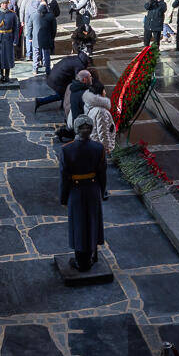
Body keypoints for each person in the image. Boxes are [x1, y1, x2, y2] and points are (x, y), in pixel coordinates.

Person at [59, 115, 106, 272]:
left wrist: (63, 197)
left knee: (78, 225)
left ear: (76, 130)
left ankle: (81, 262)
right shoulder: (98, 148)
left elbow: (65, 177)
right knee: (92, 222)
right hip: (93, 190)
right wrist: (103, 190)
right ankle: (90, 255)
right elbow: (102, 173)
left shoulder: (67, 150)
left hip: (76, 191)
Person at [83, 82, 115, 160]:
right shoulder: (101, 111)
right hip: (98, 146)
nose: (105, 92)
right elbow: (103, 131)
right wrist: (107, 147)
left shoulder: (89, 104)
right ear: (100, 92)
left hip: (92, 142)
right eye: (104, 90)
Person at [0, 0, 19, 83]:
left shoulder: (12, 14)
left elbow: (16, 28)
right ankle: (0, 75)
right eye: (3, 4)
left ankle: (7, 76)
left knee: (8, 58)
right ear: (0, 4)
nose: (4, 5)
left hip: (9, 39)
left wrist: (15, 40)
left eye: (6, 3)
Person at [35, 2, 57, 75]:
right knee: (47, 54)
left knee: (37, 52)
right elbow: (54, 29)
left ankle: (36, 67)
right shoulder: (51, 16)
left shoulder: (36, 15)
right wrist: (52, 37)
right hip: (48, 36)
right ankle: (47, 69)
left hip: (39, 36)